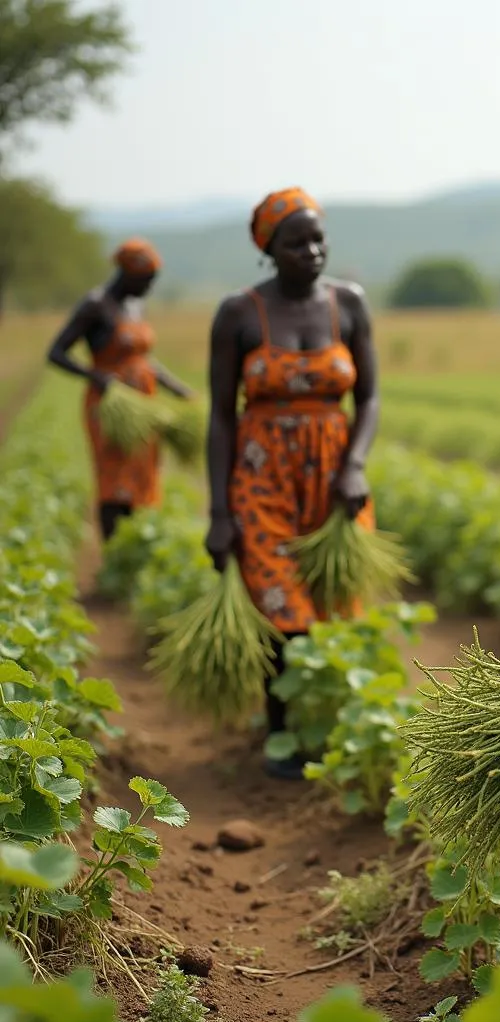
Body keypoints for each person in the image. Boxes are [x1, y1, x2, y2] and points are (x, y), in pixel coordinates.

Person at [205, 187, 379, 780]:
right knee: (282, 610)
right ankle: (280, 733)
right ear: (268, 249)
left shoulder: (349, 304)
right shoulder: (238, 313)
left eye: (317, 238)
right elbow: (220, 416)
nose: (312, 250)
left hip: (335, 480)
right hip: (262, 481)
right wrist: (219, 513)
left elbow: (371, 398)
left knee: (334, 603)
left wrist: (354, 463)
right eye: (295, 241)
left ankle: (330, 727)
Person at [47, 239, 193, 541]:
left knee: (143, 473)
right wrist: (96, 376)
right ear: (127, 273)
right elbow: (56, 353)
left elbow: (143, 358)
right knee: (115, 481)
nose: (149, 288)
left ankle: (135, 544)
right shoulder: (96, 305)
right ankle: (112, 552)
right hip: (111, 407)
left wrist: (175, 386)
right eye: (146, 280)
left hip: (142, 404)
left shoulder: (136, 305)